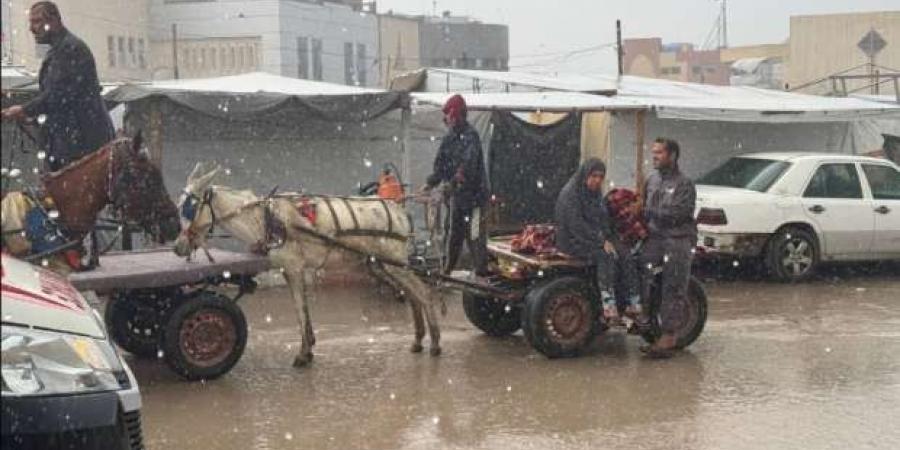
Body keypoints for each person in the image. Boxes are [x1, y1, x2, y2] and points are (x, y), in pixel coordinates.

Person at [0, 1, 115, 172]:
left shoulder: (71, 49)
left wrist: (25, 110)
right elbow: (59, 100)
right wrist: (30, 116)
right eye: (31, 22)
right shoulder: (60, 50)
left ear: (54, 21)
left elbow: (58, 95)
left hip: (82, 146)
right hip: (71, 145)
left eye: (37, 21)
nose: (32, 28)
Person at [555, 159, 640, 323]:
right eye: (593, 176)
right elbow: (576, 225)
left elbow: (601, 218)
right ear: (585, 175)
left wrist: (610, 236)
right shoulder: (571, 194)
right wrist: (601, 241)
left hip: (593, 237)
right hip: (572, 241)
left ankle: (632, 302)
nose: (597, 180)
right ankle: (608, 306)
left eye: (601, 177)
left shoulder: (594, 193)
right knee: (606, 256)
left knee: (626, 254)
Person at [639, 138, 698, 359]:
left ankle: (670, 335)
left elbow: (680, 214)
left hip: (677, 239)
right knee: (642, 272)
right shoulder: (652, 180)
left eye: (659, 153)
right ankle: (644, 319)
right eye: (653, 152)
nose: (654, 156)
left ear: (672, 155)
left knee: (673, 285)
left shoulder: (684, 184)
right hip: (654, 237)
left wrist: (650, 212)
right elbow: (643, 207)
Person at [421, 94, 490, 276]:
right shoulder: (450, 138)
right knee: (454, 234)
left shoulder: (471, 137)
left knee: (474, 236)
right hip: (458, 197)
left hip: (475, 198)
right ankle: (448, 269)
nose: (447, 121)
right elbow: (441, 165)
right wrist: (431, 182)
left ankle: (481, 273)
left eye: (449, 116)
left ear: (457, 115)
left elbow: (466, 169)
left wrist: (450, 185)